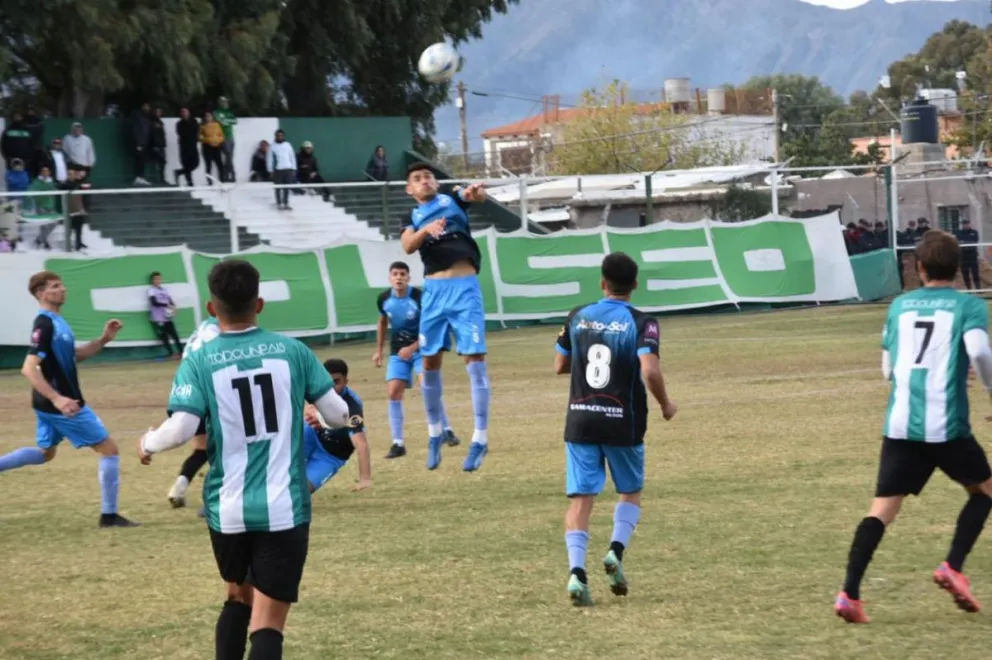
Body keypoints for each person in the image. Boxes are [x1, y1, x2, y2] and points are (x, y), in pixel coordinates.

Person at [137, 259, 351, 660]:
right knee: (268, 623)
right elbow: (338, 415)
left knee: (237, 597)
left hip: (227, 508)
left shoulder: (198, 360)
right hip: (285, 506)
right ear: (260, 303)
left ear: (212, 307)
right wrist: (330, 417)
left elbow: (181, 429)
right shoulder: (294, 352)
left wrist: (147, 443)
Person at [834, 230, 992, 624]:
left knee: (881, 511)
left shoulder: (899, 306)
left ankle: (849, 593)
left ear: (918, 267)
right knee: (985, 491)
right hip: (946, 425)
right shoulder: (969, 306)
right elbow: (979, 351)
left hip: (901, 424)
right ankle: (952, 566)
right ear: (957, 269)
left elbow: (888, 369)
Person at [553, 252, 677, 607]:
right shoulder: (643, 322)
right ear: (635, 285)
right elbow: (650, 371)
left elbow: (560, 364)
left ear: (602, 282)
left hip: (580, 418)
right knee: (631, 489)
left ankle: (577, 573)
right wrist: (666, 404)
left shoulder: (577, 315)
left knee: (581, 500)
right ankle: (615, 551)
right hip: (623, 419)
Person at [0, 271, 138, 528]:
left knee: (45, 453)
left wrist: (104, 339)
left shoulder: (58, 321)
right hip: (62, 405)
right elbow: (29, 368)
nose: (62, 289)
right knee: (109, 449)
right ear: (41, 293)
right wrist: (58, 399)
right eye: (55, 286)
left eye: (62, 284)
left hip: (47, 403)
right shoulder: (45, 323)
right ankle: (109, 516)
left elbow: (74, 355)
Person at [400, 163, 490, 472]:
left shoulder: (452, 199)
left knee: (474, 361)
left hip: (465, 290)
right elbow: (408, 245)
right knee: (429, 363)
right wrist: (426, 230)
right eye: (417, 179)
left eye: (428, 176)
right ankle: (434, 433)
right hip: (435, 293)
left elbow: (473, 196)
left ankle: (480, 438)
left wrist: (476, 193)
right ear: (409, 189)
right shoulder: (410, 217)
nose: (424, 181)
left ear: (435, 182)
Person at [372, 261, 460, 459]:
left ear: (409, 278)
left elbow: (431, 326)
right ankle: (398, 443)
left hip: (422, 348)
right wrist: (378, 351)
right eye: (395, 274)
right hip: (397, 352)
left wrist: (412, 348)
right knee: (393, 392)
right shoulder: (384, 298)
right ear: (389, 278)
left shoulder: (419, 297)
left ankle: (447, 430)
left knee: (428, 387)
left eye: (403, 274)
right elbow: (382, 322)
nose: (399, 277)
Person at [165, 315, 222, 513]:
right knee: (226, 448)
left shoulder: (201, 328)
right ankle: (213, 501)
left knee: (202, 448)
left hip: (186, 392)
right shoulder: (219, 329)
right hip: (207, 391)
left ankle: (179, 487)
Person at [301, 358, 372, 492]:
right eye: (328, 382)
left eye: (336, 382)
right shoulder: (318, 389)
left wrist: (365, 478)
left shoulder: (352, 408)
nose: (331, 388)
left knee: (302, 492)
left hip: (330, 455)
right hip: (311, 435)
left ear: (346, 381)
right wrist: (309, 410)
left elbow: (361, 444)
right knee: (278, 469)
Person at [148, 271, 182, 358]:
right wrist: (166, 305)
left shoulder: (165, 290)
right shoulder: (151, 290)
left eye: (159, 279)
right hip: (158, 318)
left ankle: (181, 352)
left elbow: (170, 300)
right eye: (156, 279)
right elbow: (154, 302)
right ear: (152, 280)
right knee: (164, 337)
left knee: (175, 335)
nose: (158, 280)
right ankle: (171, 353)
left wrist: (174, 307)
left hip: (167, 317)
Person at [266, 130, 296, 210]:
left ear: (283, 136)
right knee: (278, 187)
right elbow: (269, 159)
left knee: (287, 187)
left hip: (288, 169)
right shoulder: (272, 146)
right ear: (275, 136)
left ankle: (286, 203)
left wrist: (293, 168)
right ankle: (279, 203)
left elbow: (292, 156)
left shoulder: (288, 145)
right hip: (278, 169)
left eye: (281, 135)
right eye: (278, 135)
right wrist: (270, 170)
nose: (280, 137)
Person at [175, 108, 201, 187]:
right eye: (182, 112)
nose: (184, 113)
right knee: (186, 164)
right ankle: (190, 182)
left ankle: (179, 172)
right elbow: (181, 133)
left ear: (189, 112)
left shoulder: (194, 121)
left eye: (185, 112)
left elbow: (196, 131)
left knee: (195, 163)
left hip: (193, 146)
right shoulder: (179, 123)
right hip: (184, 147)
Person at [215, 96, 238, 182]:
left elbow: (235, 121)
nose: (225, 104)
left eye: (226, 102)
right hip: (222, 137)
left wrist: (226, 120)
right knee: (228, 155)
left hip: (230, 136)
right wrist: (227, 120)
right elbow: (221, 122)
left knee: (229, 157)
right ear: (220, 103)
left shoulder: (229, 112)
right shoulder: (217, 112)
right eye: (223, 102)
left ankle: (225, 176)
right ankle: (232, 174)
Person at [199, 111, 225, 185]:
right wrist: (209, 141)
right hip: (207, 148)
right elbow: (200, 137)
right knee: (208, 165)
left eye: (209, 116)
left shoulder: (217, 125)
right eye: (206, 116)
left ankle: (222, 181)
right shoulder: (202, 126)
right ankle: (209, 182)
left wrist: (217, 141)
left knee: (220, 165)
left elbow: (222, 136)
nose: (208, 117)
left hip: (217, 147)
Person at [954, 218, 980, 290]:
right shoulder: (958, 233)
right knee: (965, 274)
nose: (966, 225)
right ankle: (969, 289)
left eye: (967, 224)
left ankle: (978, 289)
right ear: (962, 225)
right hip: (963, 256)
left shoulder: (974, 232)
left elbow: (974, 241)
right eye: (964, 224)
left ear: (969, 224)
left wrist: (964, 242)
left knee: (975, 272)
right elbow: (957, 241)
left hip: (972, 255)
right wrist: (965, 242)